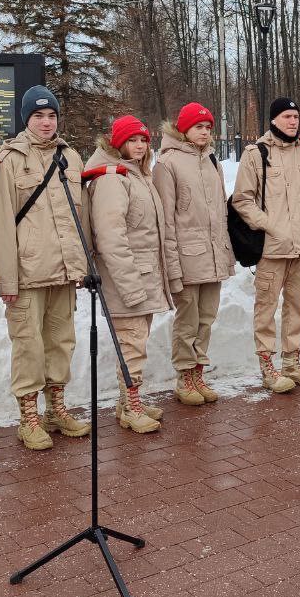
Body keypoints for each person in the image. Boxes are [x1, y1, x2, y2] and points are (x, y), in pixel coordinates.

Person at [0, 85, 90, 452]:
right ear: (26, 119)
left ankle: (55, 409)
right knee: (28, 346)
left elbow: (81, 216)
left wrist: (82, 265)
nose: (46, 123)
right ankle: (28, 416)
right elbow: (0, 223)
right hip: (28, 274)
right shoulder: (9, 160)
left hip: (63, 271)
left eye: (51, 116)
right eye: (38, 116)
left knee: (61, 342)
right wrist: (6, 279)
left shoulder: (71, 157)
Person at [231, 97, 300, 392]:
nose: (293, 121)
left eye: (296, 116)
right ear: (274, 120)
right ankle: (267, 365)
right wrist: (271, 226)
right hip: (272, 249)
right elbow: (242, 200)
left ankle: (292, 363)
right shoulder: (256, 153)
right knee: (266, 309)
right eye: (286, 116)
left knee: (297, 308)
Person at [85, 116, 172, 432]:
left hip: (143, 275)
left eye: (143, 140)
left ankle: (128, 402)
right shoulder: (113, 179)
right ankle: (132, 408)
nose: (139, 145)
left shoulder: (136, 174)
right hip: (127, 279)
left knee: (135, 342)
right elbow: (111, 238)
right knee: (132, 344)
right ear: (117, 143)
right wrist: (130, 286)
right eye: (132, 140)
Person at [154, 102, 235, 404]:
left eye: (208, 127)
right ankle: (184, 375)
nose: (204, 132)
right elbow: (166, 220)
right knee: (187, 321)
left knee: (206, 318)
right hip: (187, 258)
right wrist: (172, 265)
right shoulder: (167, 164)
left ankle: (199, 371)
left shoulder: (212, 161)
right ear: (184, 129)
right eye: (198, 127)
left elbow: (221, 213)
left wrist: (225, 254)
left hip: (213, 256)